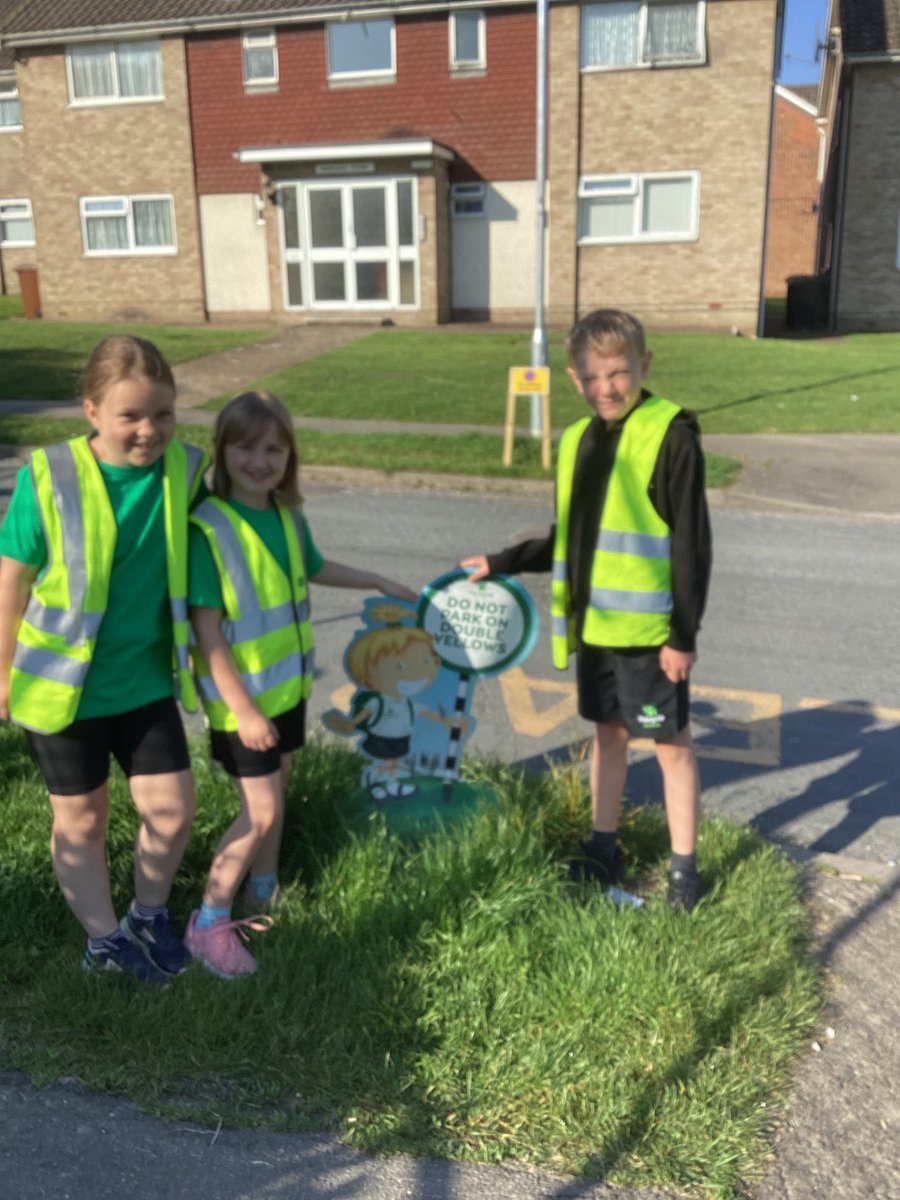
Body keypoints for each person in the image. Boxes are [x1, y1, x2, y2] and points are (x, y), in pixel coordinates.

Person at [461, 309, 712, 911]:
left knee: (671, 742)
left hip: (651, 635)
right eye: (594, 376)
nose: (607, 387)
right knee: (607, 736)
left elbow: (691, 544)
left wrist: (682, 634)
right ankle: (604, 847)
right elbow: (569, 535)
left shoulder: (670, 433)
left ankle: (684, 869)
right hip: (595, 629)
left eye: (619, 373)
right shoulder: (576, 440)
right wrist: (502, 561)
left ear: (643, 365)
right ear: (575, 378)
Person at [185, 390, 416, 979]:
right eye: (245, 447)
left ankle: (262, 892)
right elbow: (207, 636)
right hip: (244, 706)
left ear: (290, 457)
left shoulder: (287, 517)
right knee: (259, 811)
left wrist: (379, 580)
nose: (260, 461)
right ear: (222, 451)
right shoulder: (208, 528)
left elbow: (312, 566)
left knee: (277, 794)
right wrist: (243, 712)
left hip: (285, 695)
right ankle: (208, 921)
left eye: (273, 449)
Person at [0, 334, 209, 982]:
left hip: (143, 682)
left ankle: (149, 915)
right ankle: (104, 940)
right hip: (61, 690)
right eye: (131, 416)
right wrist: (1, 671)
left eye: (163, 414)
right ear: (91, 410)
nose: (149, 431)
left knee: (172, 810)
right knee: (82, 820)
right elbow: (11, 580)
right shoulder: (50, 476)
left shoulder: (188, 470)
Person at [322, 605, 471, 801]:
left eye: (426, 662)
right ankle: (373, 781)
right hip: (380, 738)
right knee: (382, 762)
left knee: (394, 763)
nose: (417, 674)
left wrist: (446, 721)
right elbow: (363, 716)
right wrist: (350, 724)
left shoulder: (409, 704)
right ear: (367, 677)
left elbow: (426, 712)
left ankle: (391, 785)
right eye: (399, 666)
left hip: (401, 738)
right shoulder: (377, 702)